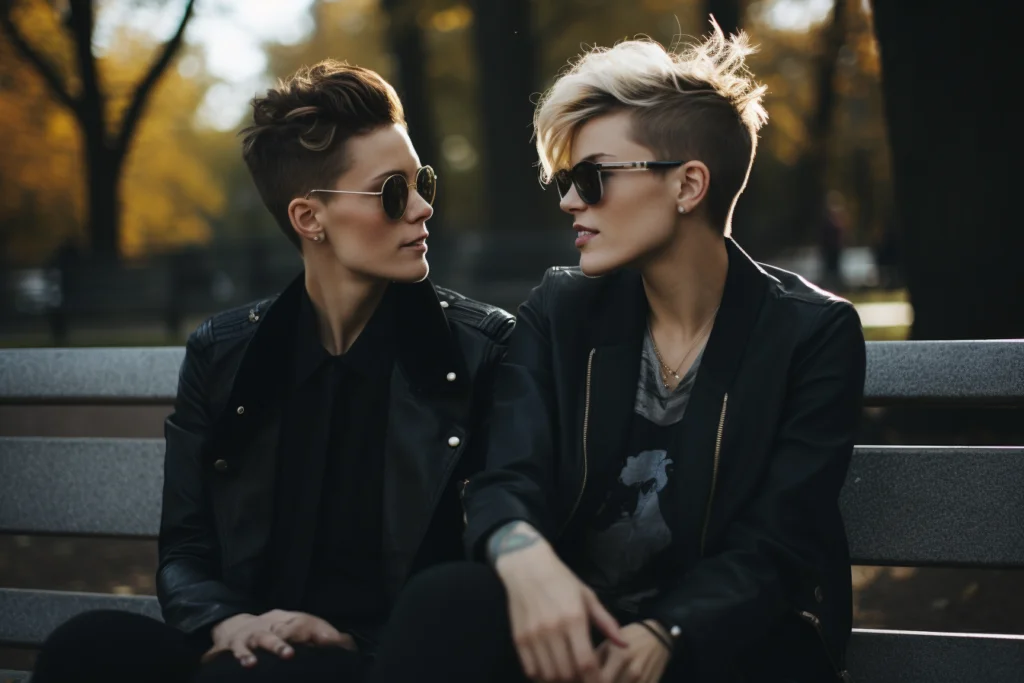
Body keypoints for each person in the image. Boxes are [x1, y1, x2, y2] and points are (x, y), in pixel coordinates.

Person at [370, 20, 865, 683]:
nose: (572, 199)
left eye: (594, 177)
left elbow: (778, 541)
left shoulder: (810, 334)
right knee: (445, 603)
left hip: (726, 638)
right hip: (575, 629)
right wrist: (526, 559)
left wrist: (668, 631)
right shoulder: (561, 311)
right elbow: (507, 475)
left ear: (688, 185)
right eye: (568, 179)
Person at [31, 59, 513, 683]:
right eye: (393, 192)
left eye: (422, 181)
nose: (422, 208)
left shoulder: (481, 351)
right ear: (309, 218)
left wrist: (354, 642)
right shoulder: (223, 356)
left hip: (385, 660)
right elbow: (186, 549)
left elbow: (478, 581)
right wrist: (226, 624)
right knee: (86, 648)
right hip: (248, 646)